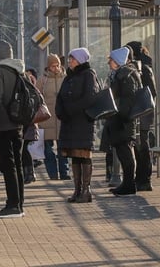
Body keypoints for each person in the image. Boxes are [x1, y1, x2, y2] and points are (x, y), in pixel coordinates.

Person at [0, 40, 26, 218]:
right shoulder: (18, 71)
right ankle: (19, 203)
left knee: (7, 165)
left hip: (2, 125)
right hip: (18, 123)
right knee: (17, 163)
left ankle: (13, 205)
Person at [56, 47, 101, 203]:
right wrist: (60, 111)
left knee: (84, 155)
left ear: (81, 60)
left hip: (83, 123)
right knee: (74, 156)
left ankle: (86, 191)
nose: (69, 62)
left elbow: (90, 97)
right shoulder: (69, 76)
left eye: (73, 59)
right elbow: (60, 96)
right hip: (69, 123)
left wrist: (71, 109)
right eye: (69, 59)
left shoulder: (89, 75)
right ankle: (77, 190)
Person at [102, 46, 141, 196]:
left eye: (111, 60)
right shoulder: (120, 74)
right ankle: (127, 183)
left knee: (125, 153)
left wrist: (121, 114)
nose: (109, 63)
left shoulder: (126, 76)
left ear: (118, 61)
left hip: (123, 121)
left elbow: (128, 98)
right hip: (119, 119)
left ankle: (129, 184)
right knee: (122, 152)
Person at [126, 41, 158, 191]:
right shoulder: (144, 67)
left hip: (143, 114)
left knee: (142, 147)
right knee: (140, 147)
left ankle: (144, 179)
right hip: (143, 113)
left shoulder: (143, 68)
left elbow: (151, 92)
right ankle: (141, 179)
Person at [37, 54, 69, 180]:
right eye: (53, 66)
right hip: (47, 120)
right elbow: (37, 97)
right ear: (48, 67)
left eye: (57, 65)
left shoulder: (66, 78)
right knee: (48, 150)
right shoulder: (42, 80)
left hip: (62, 119)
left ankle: (64, 173)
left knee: (63, 148)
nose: (56, 68)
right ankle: (53, 174)